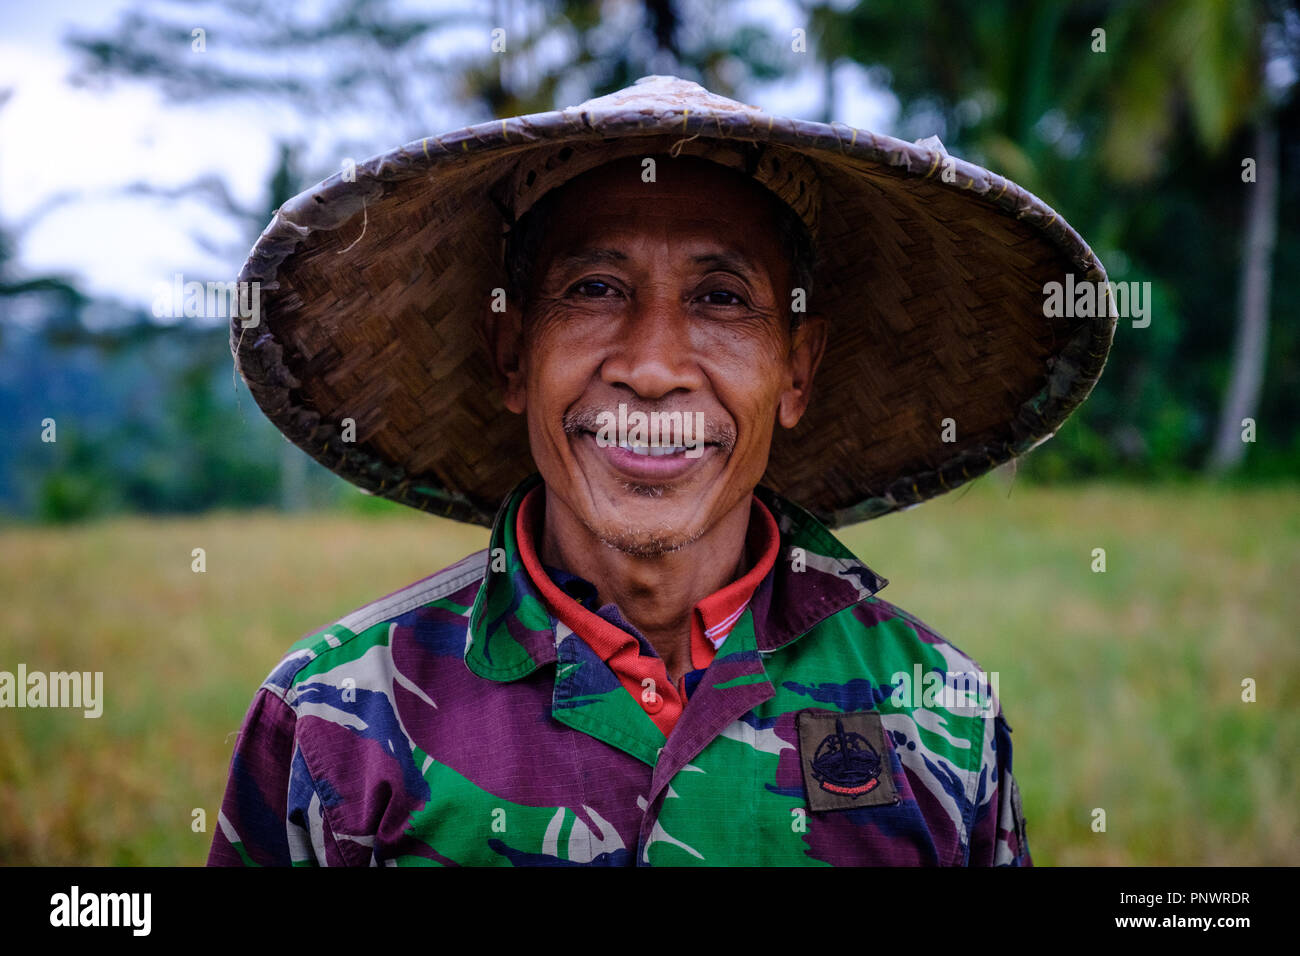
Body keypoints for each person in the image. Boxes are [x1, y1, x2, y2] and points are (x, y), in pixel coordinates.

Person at [210, 75, 1113, 866]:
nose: (652, 366)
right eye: (595, 290)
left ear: (796, 371)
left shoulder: (939, 714)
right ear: (513, 354)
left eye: (722, 299)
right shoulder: (333, 718)